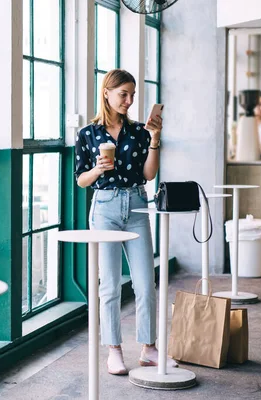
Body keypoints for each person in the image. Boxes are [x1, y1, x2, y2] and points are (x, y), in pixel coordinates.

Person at [74, 69, 177, 375]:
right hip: (104, 206)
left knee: (146, 282)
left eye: (132, 95)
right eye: (123, 94)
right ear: (106, 92)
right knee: (109, 285)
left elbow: (148, 175)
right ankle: (114, 350)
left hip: (136, 206)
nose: (129, 101)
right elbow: (81, 180)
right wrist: (97, 169)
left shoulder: (139, 133)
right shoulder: (87, 135)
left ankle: (149, 348)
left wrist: (155, 139)